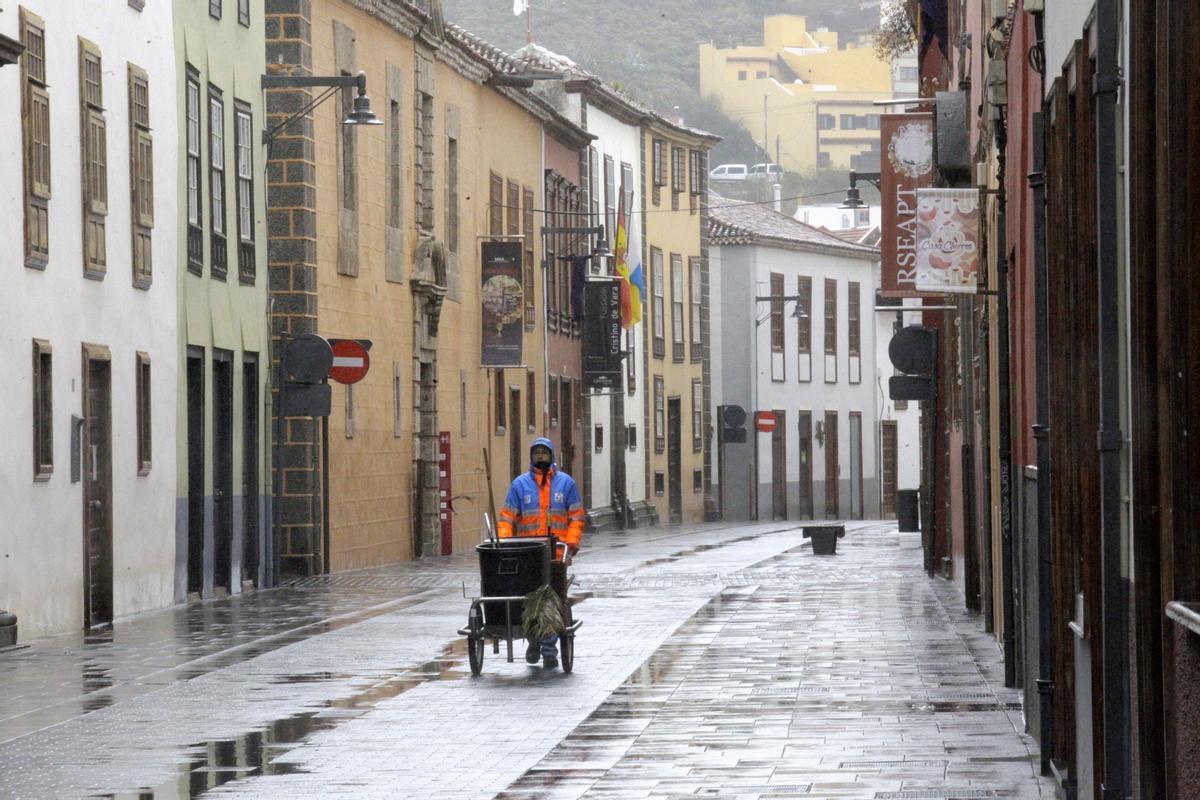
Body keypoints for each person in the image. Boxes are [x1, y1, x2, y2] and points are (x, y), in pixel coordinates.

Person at [496, 437, 585, 669]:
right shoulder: (520, 485)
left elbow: (576, 518)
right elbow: (507, 518)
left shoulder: (566, 484)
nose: (541, 458)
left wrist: (571, 544)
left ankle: (548, 647)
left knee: (553, 600)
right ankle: (535, 639)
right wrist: (504, 544)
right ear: (531, 457)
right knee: (530, 600)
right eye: (537, 454)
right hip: (527, 554)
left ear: (552, 456)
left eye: (544, 454)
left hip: (556, 555)